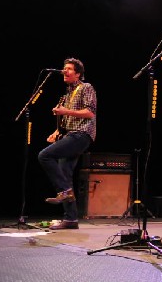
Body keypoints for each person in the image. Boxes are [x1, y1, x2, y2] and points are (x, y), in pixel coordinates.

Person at [38, 58, 97, 230]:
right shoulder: (66, 95)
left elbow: (89, 113)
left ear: (78, 73)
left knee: (44, 155)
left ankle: (63, 191)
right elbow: (65, 122)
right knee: (65, 173)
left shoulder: (86, 87)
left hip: (82, 134)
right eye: (64, 68)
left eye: (69, 69)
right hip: (71, 134)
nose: (65, 71)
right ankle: (71, 219)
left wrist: (65, 111)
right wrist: (56, 132)